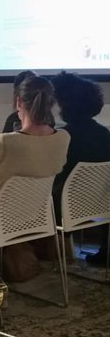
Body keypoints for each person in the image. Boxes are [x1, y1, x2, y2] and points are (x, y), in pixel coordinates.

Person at [0, 75, 69, 230]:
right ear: (51, 103)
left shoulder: (4, 142)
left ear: (19, 102)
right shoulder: (63, 138)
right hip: (34, 219)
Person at [51, 73, 110, 265]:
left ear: (65, 105)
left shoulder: (63, 137)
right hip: (99, 205)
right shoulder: (105, 134)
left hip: (62, 208)